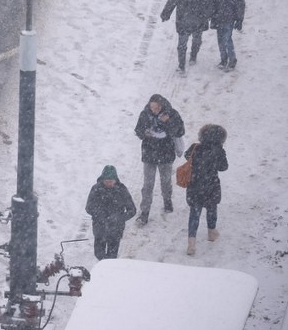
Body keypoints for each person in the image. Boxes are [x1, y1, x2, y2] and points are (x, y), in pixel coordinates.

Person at [134, 94, 185, 224]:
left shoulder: (172, 114)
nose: (154, 111)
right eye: (152, 108)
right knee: (148, 185)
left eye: (156, 108)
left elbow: (180, 131)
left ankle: (167, 201)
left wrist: (167, 122)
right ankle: (144, 213)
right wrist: (145, 132)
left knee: (166, 181)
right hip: (149, 154)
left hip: (166, 154)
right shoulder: (145, 114)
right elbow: (138, 130)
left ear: (162, 106)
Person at [184, 124, 229, 255]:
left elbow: (187, 157)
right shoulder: (218, 150)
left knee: (194, 213)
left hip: (195, 185)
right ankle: (211, 232)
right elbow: (223, 167)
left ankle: (191, 243)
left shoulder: (195, 147)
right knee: (212, 208)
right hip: (211, 185)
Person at [160, 0, 209, 72]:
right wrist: (166, 13)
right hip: (183, 21)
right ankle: (181, 65)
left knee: (197, 41)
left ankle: (193, 55)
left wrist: (207, 16)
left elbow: (208, 4)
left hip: (198, 20)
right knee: (181, 45)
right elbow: (172, 0)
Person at [86, 165, 137, 260]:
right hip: (99, 228)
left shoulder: (122, 190)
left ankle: (109, 273)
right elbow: (88, 207)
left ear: (115, 180)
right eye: (106, 181)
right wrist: (99, 214)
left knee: (111, 258)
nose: (109, 183)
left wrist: (119, 218)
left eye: (111, 181)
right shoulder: (96, 189)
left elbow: (132, 210)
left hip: (115, 230)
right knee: (99, 255)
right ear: (102, 179)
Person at [208, 0, 245, 72]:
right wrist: (209, 14)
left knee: (227, 39)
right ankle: (223, 59)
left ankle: (232, 60)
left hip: (229, 17)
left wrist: (239, 19)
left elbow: (240, 4)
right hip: (217, 18)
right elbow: (209, 2)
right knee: (220, 40)